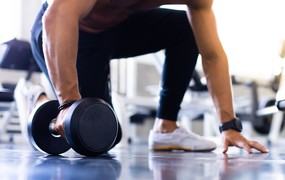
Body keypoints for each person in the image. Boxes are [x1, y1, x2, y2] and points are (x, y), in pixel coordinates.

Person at [31, 0, 269, 154]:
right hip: (63, 30)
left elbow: (213, 55)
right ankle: (39, 97)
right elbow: (57, 18)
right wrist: (69, 104)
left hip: (115, 29)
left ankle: (166, 128)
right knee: (98, 139)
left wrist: (229, 127)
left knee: (186, 29)